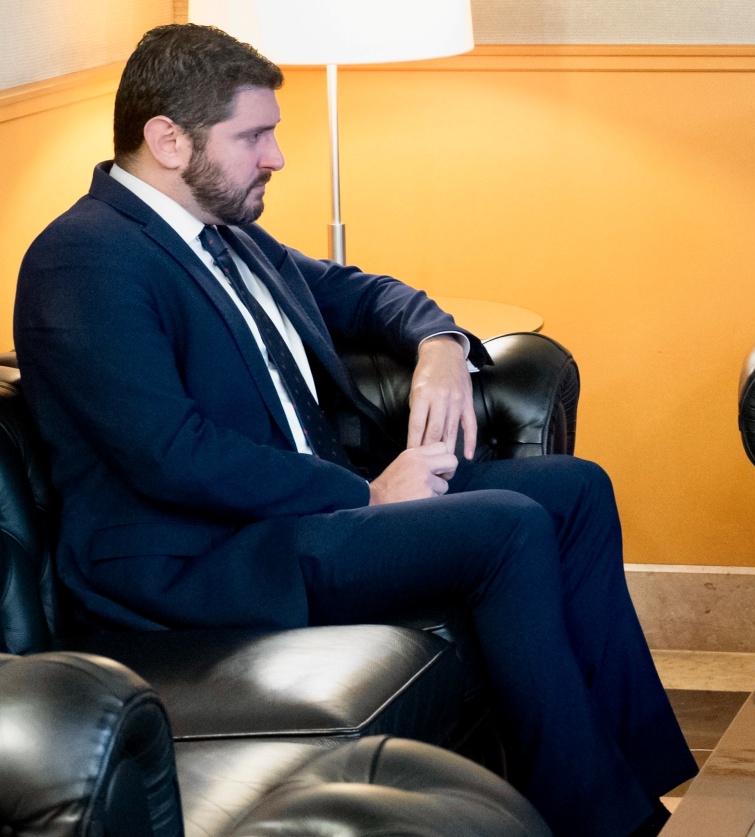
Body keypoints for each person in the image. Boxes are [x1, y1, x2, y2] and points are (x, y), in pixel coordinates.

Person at [14, 23, 695, 837]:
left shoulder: (222, 234)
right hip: (201, 556)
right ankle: (598, 822)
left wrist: (441, 343)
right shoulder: (83, 258)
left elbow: (358, 292)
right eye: (254, 135)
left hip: (304, 516)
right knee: (508, 526)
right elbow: (169, 452)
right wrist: (365, 492)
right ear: (167, 139)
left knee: (576, 491)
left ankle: (654, 790)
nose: (276, 156)